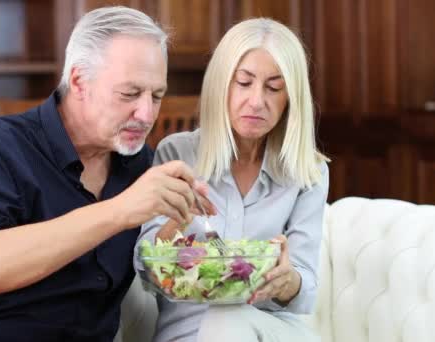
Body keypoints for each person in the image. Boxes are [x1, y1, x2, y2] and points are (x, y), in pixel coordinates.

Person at [0, 6, 213, 342]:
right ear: (78, 81)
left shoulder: (139, 167)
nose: (146, 113)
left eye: (157, 95)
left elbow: (151, 269)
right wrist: (120, 210)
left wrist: (174, 232)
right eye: (129, 94)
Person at [136, 18, 330, 342]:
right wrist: (178, 221)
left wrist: (287, 281)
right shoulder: (177, 154)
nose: (256, 101)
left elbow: (305, 290)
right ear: (221, 85)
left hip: (271, 332)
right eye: (244, 82)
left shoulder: (307, 172)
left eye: (273, 87)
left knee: (228, 322)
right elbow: (146, 270)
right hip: (186, 335)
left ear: (290, 99)